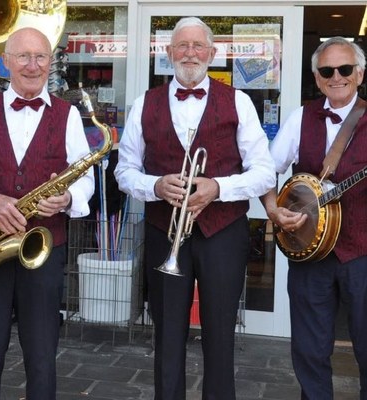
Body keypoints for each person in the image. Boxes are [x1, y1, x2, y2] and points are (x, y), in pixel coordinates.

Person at [115, 17, 275, 399]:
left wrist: (218, 187)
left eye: (197, 46)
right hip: (163, 231)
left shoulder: (238, 101)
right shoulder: (144, 103)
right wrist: (155, 185)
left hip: (223, 232)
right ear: (168, 54)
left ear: (212, 53)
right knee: (167, 333)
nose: (190, 53)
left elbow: (265, 173)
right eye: (181, 46)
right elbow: (124, 171)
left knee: (220, 333)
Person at [0, 27, 94, 400]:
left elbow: (85, 177)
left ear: (51, 62)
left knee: (43, 356)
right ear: (6, 62)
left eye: (41, 56)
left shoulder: (69, 115)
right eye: (23, 56)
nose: (32, 65)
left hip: (43, 251)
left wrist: (67, 199)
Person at [261, 36, 367, 399]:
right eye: (327, 70)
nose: (336, 76)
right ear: (318, 78)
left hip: (363, 253)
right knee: (310, 348)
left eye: (345, 69)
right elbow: (266, 170)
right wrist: (274, 210)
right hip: (310, 252)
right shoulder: (301, 117)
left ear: (360, 73)